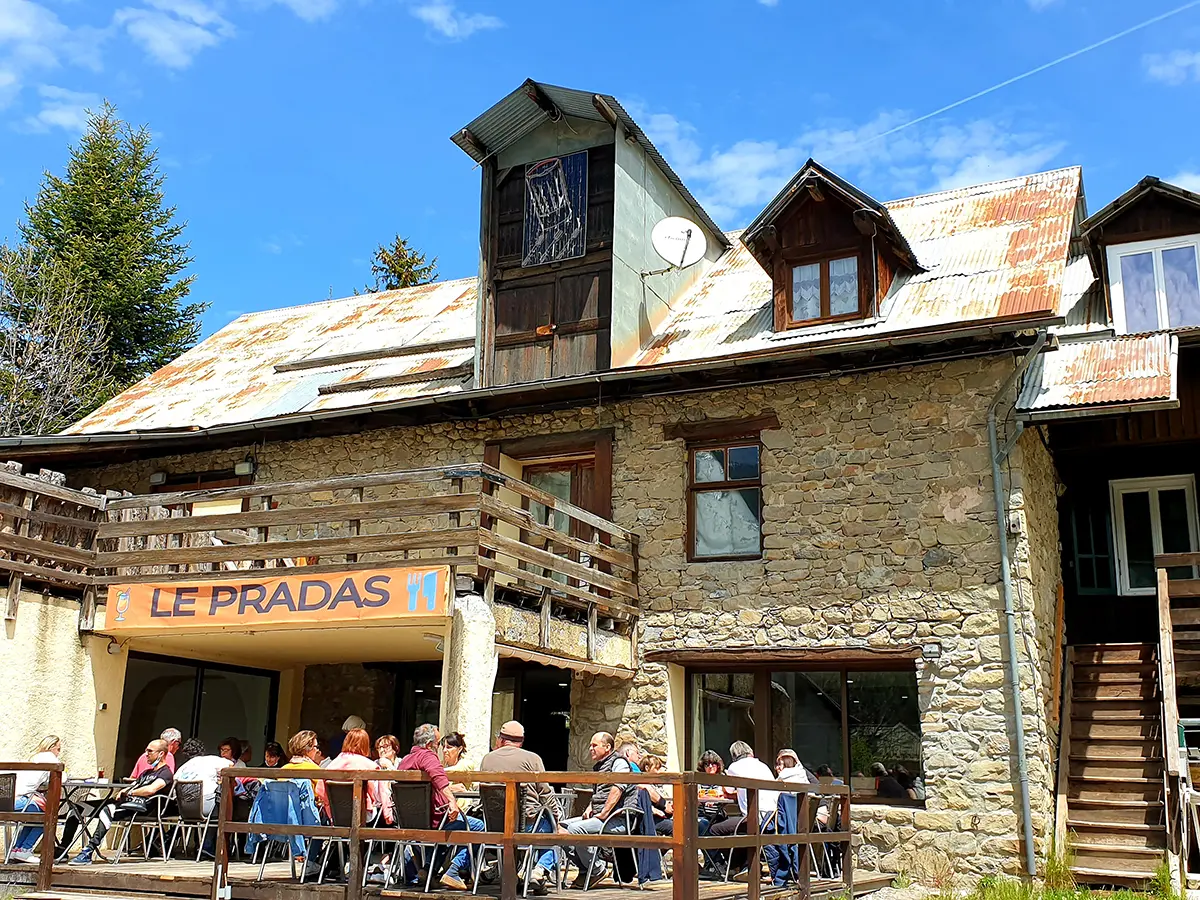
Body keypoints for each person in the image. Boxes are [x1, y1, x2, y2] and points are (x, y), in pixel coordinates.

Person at [397, 724, 484, 890]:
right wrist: (451, 801)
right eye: (438, 745)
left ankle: (429, 869)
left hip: (410, 822)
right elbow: (439, 776)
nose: (439, 750)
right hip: (434, 820)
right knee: (479, 826)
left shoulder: (405, 761)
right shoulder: (428, 757)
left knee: (446, 831)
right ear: (430, 745)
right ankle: (454, 870)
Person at [478, 721, 559, 894]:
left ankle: (500, 870)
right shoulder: (532, 759)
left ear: (501, 739)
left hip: (495, 826)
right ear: (521, 741)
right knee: (554, 832)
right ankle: (538, 871)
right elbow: (545, 793)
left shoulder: (487, 758)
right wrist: (558, 819)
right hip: (526, 825)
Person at [69, 740, 173, 865]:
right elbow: (132, 786)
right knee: (76, 808)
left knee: (108, 810)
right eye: (146, 750)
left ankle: (88, 851)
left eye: (150, 751)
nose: (146, 754)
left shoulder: (166, 773)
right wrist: (124, 790)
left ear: (161, 754)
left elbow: (151, 789)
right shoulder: (146, 773)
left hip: (139, 808)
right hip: (123, 803)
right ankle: (62, 849)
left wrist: (130, 793)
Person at [558, 732, 636, 889]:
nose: (590, 749)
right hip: (602, 817)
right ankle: (586, 867)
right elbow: (599, 794)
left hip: (617, 819)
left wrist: (604, 813)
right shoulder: (600, 766)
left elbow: (618, 789)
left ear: (607, 747)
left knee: (575, 829)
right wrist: (590, 807)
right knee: (559, 828)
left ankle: (596, 869)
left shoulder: (619, 762)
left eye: (594, 745)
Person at [710, 742, 780, 881]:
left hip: (755, 816)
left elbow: (728, 790)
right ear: (750, 752)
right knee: (738, 828)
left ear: (734, 755)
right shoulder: (762, 765)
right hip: (772, 815)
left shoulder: (735, 767)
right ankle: (745, 866)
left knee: (714, 829)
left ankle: (731, 866)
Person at [7, 735, 63, 863]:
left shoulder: (34, 758)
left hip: (6, 801)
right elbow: (62, 778)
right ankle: (25, 849)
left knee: (34, 815)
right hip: (19, 801)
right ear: (52, 747)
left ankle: (16, 850)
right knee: (47, 815)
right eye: (58, 749)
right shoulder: (50, 758)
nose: (59, 753)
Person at [324, 727, 394, 825]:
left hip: (336, 814)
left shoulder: (333, 764)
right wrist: (388, 816)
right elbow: (382, 792)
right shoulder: (370, 765)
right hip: (362, 814)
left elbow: (320, 790)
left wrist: (329, 812)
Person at [173, 738, 229, 859]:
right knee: (222, 803)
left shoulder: (181, 769)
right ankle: (208, 846)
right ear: (202, 752)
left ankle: (202, 845)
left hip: (184, 812)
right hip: (206, 808)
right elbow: (230, 765)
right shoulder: (210, 760)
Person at [440, 732, 475, 814]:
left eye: (449, 747)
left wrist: (435, 772)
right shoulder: (441, 765)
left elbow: (457, 770)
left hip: (463, 812)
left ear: (459, 749)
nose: (445, 750)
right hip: (444, 811)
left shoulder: (466, 764)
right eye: (443, 747)